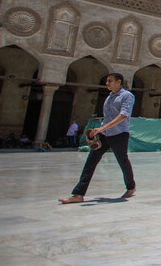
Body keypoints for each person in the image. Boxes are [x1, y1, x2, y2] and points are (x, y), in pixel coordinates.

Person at [58, 73, 136, 204]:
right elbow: (107, 117)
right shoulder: (110, 97)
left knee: (123, 161)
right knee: (91, 161)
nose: (107, 83)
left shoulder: (127, 96)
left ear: (119, 82)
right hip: (104, 135)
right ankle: (78, 194)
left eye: (110, 81)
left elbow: (123, 115)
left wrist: (102, 128)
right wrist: (98, 131)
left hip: (119, 134)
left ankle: (131, 187)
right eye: (106, 81)